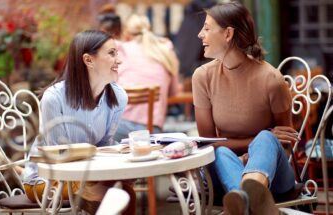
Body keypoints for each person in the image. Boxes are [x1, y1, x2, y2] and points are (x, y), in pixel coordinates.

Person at [192, 2, 299, 214]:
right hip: (226, 167)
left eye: (206, 28)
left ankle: (247, 196)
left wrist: (259, 146)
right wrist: (250, 146)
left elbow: (284, 142)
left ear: (228, 34)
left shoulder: (271, 79)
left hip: (275, 177)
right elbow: (208, 145)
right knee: (222, 152)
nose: (199, 34)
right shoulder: (203, 77)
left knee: (266, 139)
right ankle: (253, 200)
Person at [22, 30, 135, 215]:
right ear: (88, 60)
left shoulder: (118, 97)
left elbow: (104, 145)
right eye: (112, 53)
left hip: (88, 174)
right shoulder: (54, 98)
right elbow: (57, 158)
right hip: (46, 180)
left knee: (126, 192)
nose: (119, 60)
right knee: (107, 195)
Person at [114, 14, 180, 141]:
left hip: (119, 127)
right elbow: (173, 92)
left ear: (126, 34)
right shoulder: (165, 49)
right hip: (152, 129)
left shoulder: (120, 49)